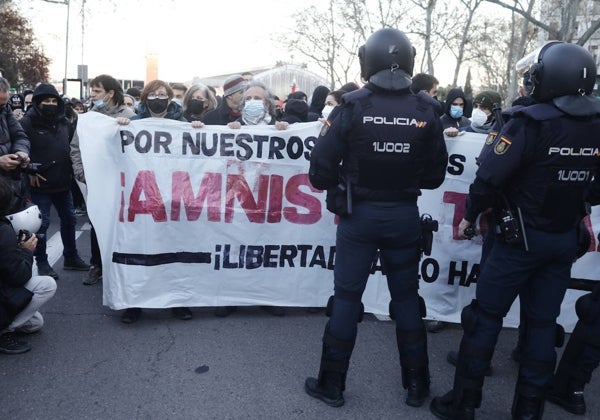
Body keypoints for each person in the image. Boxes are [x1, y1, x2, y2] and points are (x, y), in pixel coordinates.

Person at [430, 41, 600, 420]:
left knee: (485, 317)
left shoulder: (529, 123)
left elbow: (488, 177)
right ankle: (528, 412)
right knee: (541, 326)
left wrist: (471, 214)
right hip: (561, 240)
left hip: (517, 240)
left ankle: (462, 404)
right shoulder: (595, 127)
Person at [304, 28, 448, 409]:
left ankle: (331, 384)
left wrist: (344, 181)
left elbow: (318, 171)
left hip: (360, 216)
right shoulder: (426, 109)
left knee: (348, 298)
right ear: (409, 59)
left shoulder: (351, 105)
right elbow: (435, 176)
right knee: (406, 299)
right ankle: (418, 386)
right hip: (403, 215)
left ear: (367, 60)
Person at [121, 80, 195, 323]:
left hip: (173, 195)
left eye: (163, 94)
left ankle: (178, 301)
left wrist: (199, 131)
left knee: (174, 249)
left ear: (170, 98)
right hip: (142, 197)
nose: (158, 98)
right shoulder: (133, 124)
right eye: (153, 94)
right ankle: (134, 302)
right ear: (145, 98)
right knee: (140, 249)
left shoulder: (182, 124)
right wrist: (119, 128)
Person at [71, 74, 137, 286]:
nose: (93, 95)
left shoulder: (130, 115)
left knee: (123, 225)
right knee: (97, 222)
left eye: (97, 91)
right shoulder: (89, 119)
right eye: (92, 90)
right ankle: (96, 265)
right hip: (98, 182)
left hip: (124, 183)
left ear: (110, 93)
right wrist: (83, 174)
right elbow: (76, 148)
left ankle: (120, 266)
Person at [19, 83, 90, 280]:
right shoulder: (26, 123)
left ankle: (71, 257)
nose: (50, 104)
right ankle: (41, 262)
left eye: (53, 101)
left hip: (63, 182)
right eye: (45, 101)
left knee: (69, 220)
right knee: (42, 225)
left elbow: (72, 146)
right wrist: (28, 169)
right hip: (39, 184)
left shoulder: (63, 122)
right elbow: (20, 148)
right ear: (37, 103)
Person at [0, 176, 56, 354]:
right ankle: (3, 332)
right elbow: (19, 276)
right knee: (47, 284)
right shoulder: (4, 231)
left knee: (35, 323)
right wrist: (26, 250)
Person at [0, 77, 31, 193]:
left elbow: (20, 136)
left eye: (3, 104)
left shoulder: (6, 109)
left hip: (9, 184)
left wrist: (21, 152)